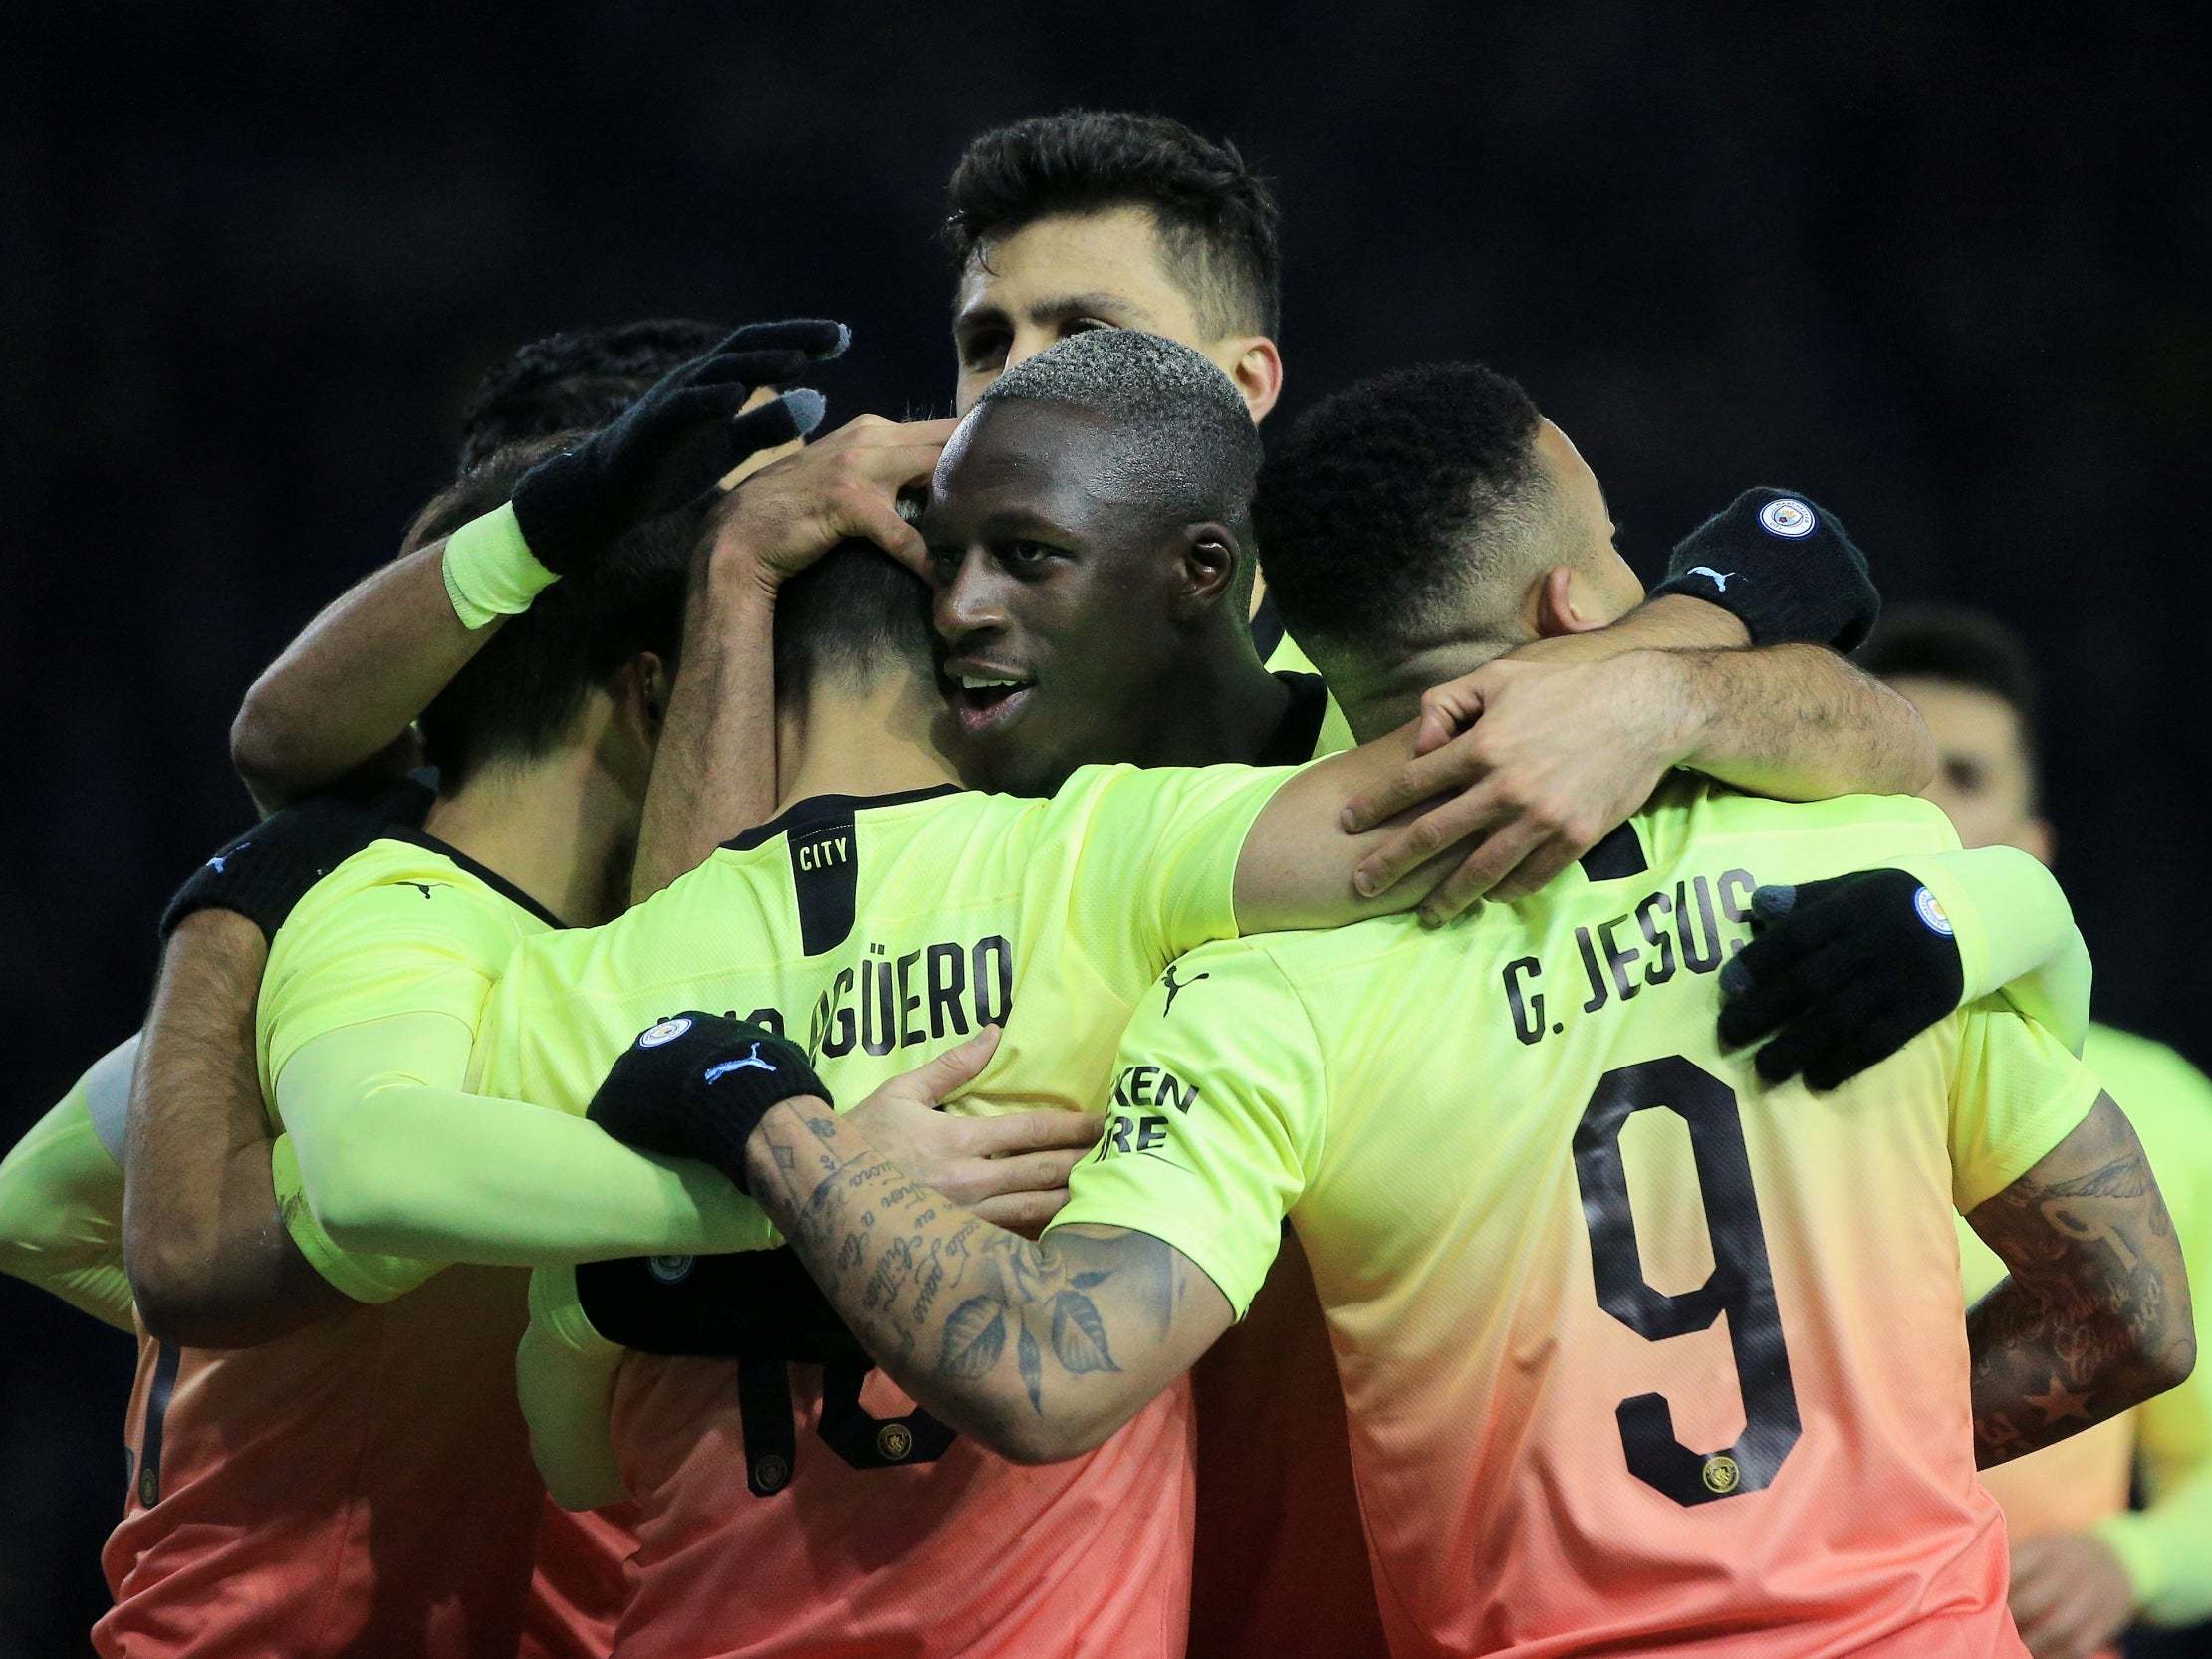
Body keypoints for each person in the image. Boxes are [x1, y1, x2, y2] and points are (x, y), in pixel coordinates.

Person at [478, 332, 2074, 1659]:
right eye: (977, 339)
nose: (959, 599)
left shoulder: (1281, 915)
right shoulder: (1788, 831)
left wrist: (771, 1152)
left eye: (1024, 549)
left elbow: (993, 1345)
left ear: (1210, 546)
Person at [1854, 604, 2212, 1659]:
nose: (1925, 808)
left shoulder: (2161, 1107)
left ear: (2033, 848)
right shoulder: (1714, 1078)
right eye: (1897, 771)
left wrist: (2128, 1560)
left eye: (1964, 776)